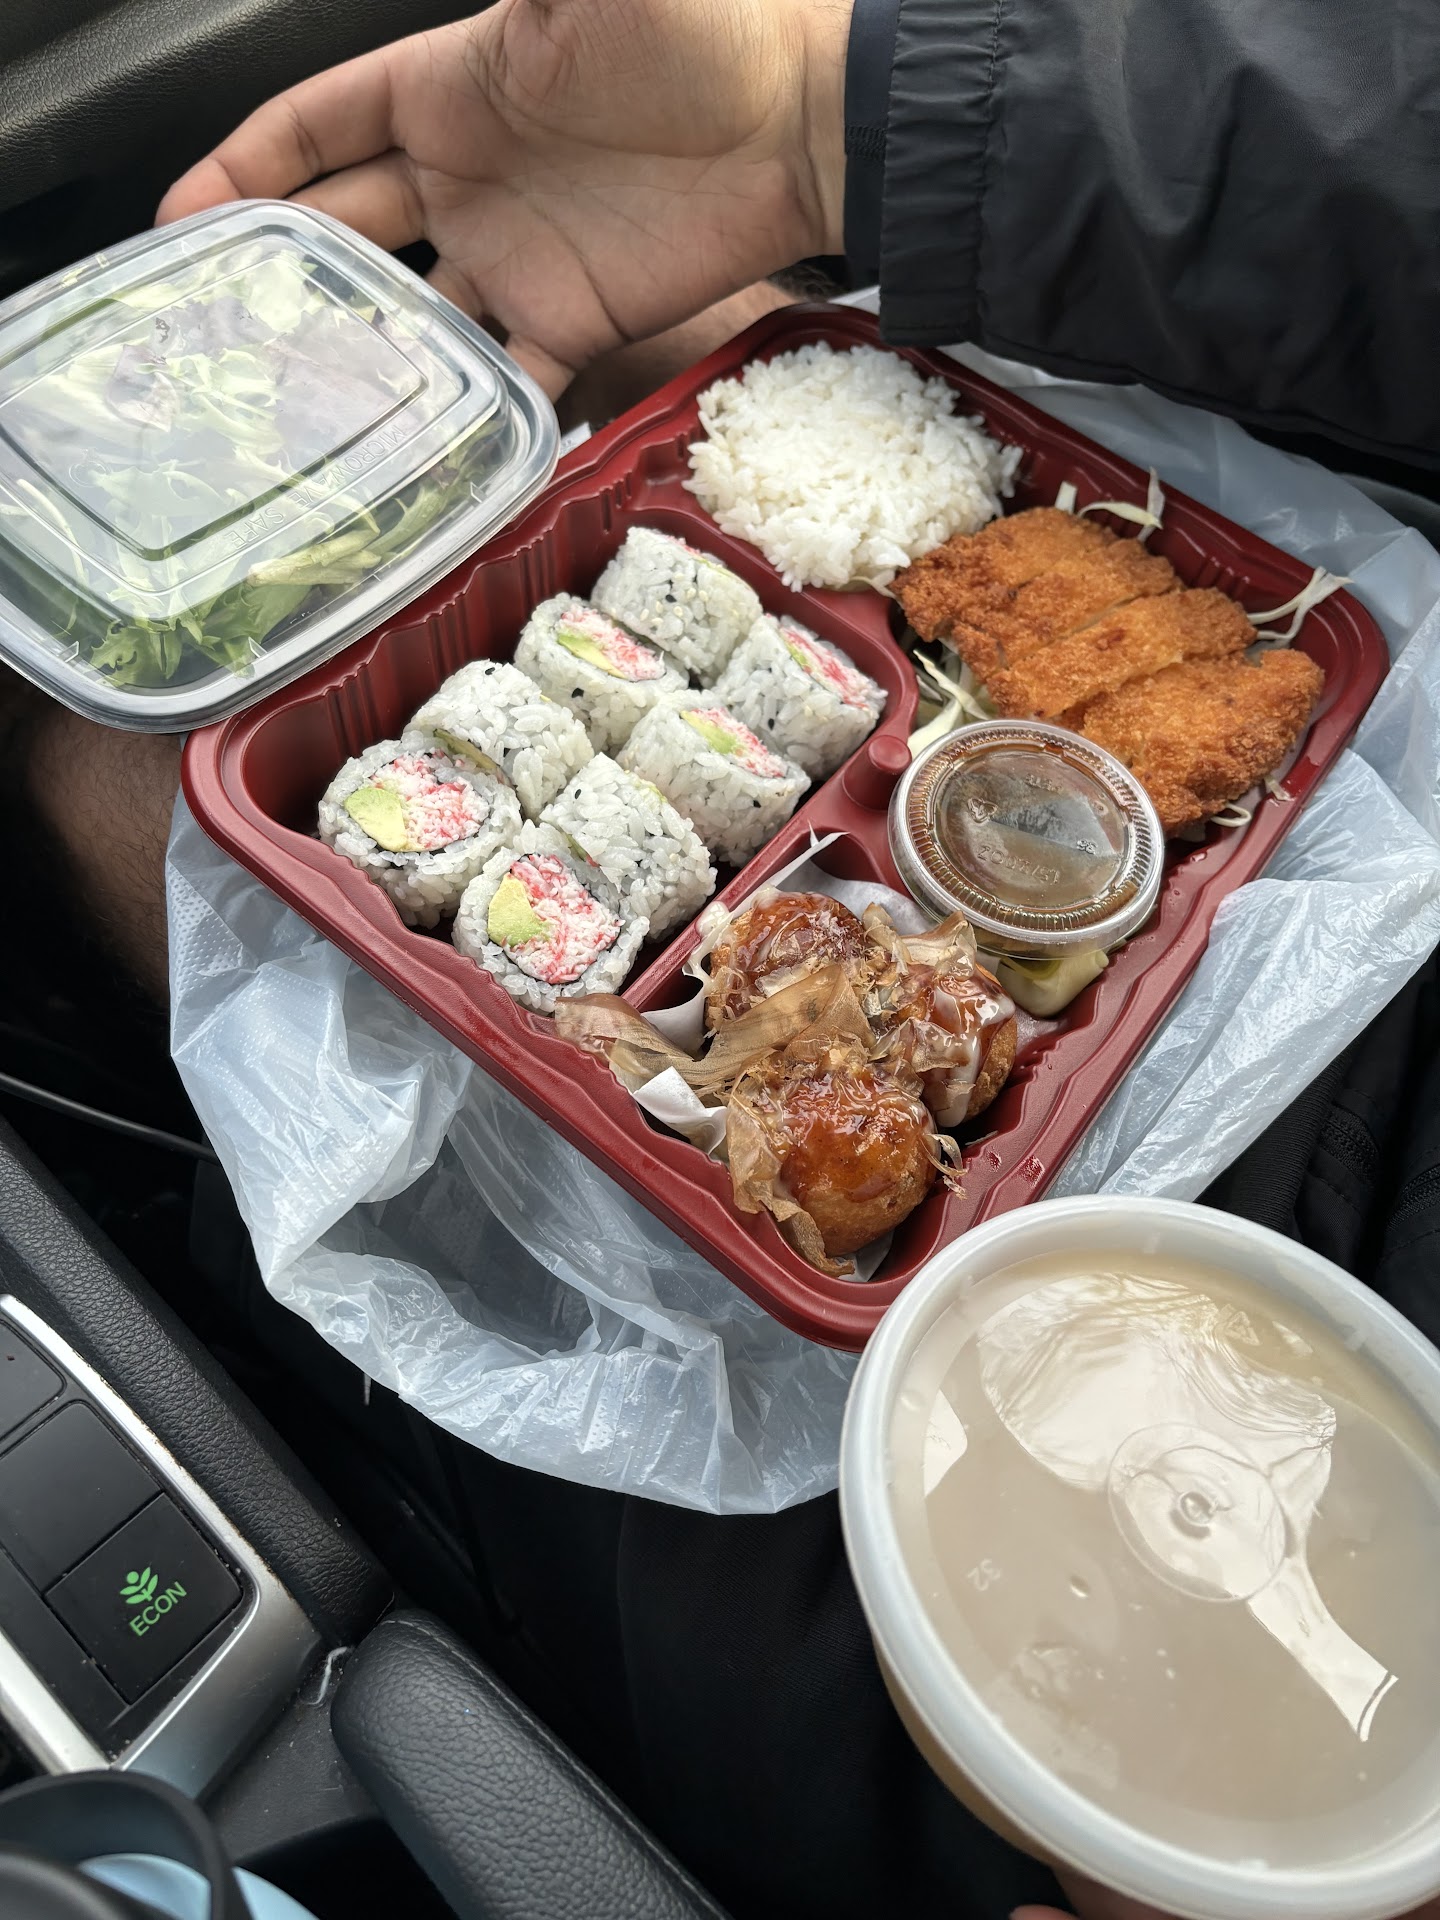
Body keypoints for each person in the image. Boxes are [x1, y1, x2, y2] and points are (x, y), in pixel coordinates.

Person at [16, 2, 1440, 1915]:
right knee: (672, 346)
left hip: (1037, 1617)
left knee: (107, 770)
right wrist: (830, 116)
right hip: (1337, 1027)